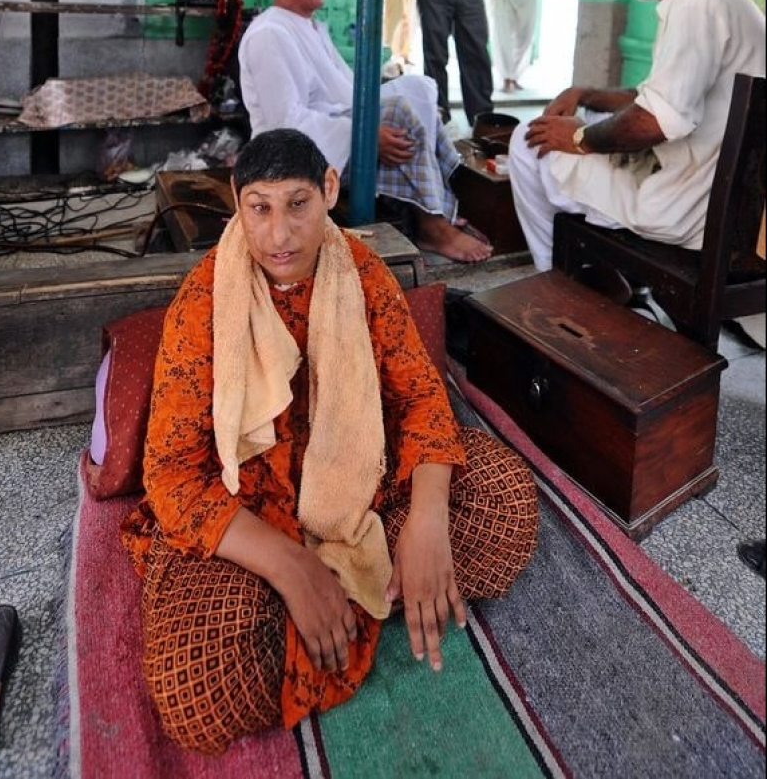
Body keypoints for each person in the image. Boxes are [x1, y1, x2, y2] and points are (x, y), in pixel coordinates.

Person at [121, 128, 538, 755]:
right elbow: (173, 477)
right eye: (259, 208)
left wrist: (426, 521)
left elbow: (421, 399)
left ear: (330, 191)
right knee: (197, 692)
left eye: (298, 204)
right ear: (236, 199)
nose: (279, 235)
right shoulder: (203, 301)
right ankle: (352, 589)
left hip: (360, 486)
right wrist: (291, 567)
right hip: (249, 509)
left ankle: (365, 579)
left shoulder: (362, 275)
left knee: (505, 502)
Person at [507, 0, 766, 273]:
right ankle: (590, 273)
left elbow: (654, 122)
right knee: (587, 123)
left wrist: (579, 138)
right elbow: (651, 96)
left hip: (686, 210)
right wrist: (585, 94)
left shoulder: (695, 3)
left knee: (528, 142)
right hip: (725, 201)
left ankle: (553, 277)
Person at [239, 0, 493, 263]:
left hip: (331, 137)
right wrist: (363, 135)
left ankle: (436, 203)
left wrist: (368, 126)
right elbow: (284, 124)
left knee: (417, 89)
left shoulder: (309, 27)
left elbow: (347, 95)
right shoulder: (270, 33)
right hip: (292, 157)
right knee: (396, 112)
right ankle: (432, 226)